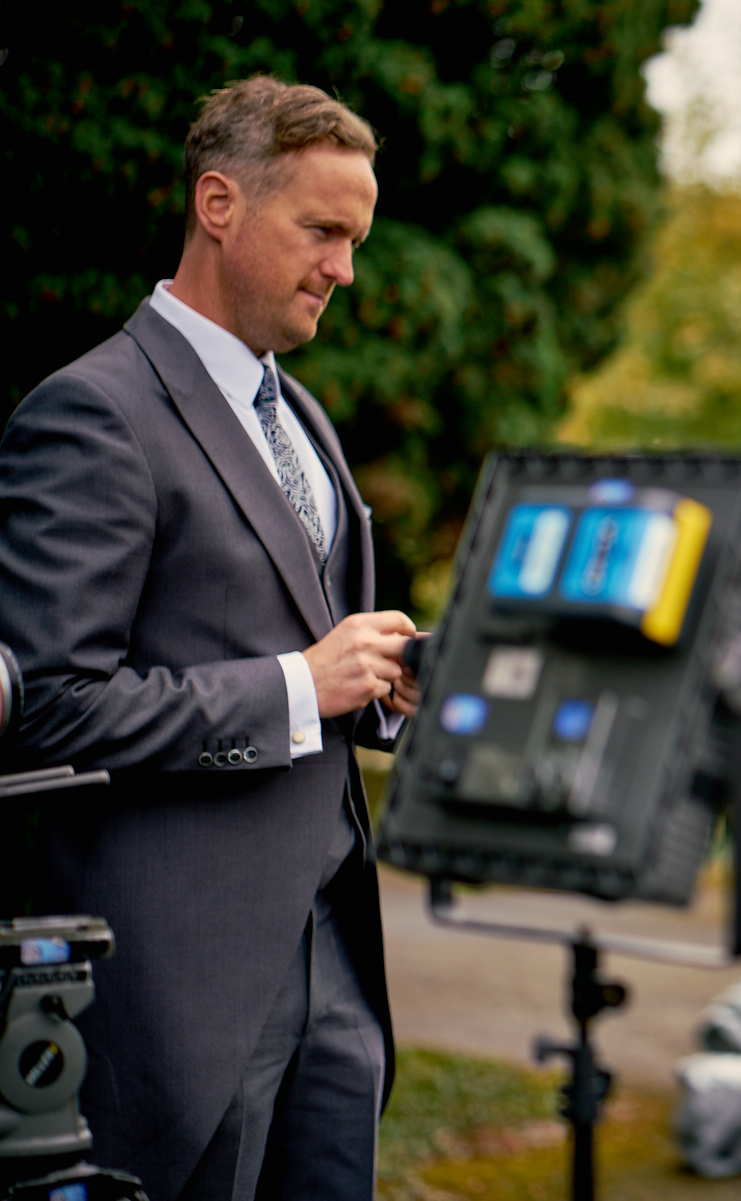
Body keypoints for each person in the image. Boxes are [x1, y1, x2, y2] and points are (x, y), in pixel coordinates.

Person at [0, 77, 416, 1200]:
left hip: (337, 942)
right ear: (219, 202)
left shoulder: (303, 412)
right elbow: (46, 705)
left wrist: (379, 678)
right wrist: (296, 684)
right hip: (181, 981)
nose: (343, 267)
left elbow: (301, 635)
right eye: (321, 231)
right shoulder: (90, 412)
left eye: (355, 239)